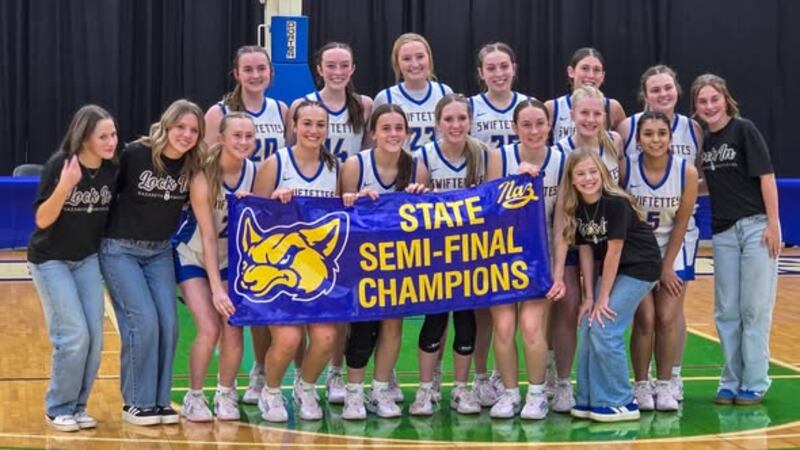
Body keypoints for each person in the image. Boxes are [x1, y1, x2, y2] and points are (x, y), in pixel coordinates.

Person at [100, 99, 204, 426]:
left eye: (193, 130)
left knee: (169, 325)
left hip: (159, 251)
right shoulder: (135, 154)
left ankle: (159, 401)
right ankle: (136, 402)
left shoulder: (192, 165)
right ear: (166, 125)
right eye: (180, 127)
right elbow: (104, 192)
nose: (186, 135)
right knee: (143, 322)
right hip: (120, 249)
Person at [690, 73, 781, 406]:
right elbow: (708, 184)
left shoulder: (744, 130)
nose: (710, 106)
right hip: (724, 231)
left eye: (714, 99)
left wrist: (774, 225)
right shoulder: (705, 141)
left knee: (754, 308)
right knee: (727, 310)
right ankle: (730, 380)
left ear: (726, 99)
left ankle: (755, 382)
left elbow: (767, 178)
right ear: (696, 107)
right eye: (702, 101)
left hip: (756, 227)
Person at [28, 105, 119, 432]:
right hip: (51, 259)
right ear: (84, 138)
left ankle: (78, 407)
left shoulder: (112, 169)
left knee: (95, 339)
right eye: (103, 136)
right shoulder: (60, 165)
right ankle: (58, 407)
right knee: (73, 335)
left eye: (113, 134)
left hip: (86, 258)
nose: (111, 142)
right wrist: (65, 185)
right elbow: (42, 220)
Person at [617, 66, 704, 402]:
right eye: (649, 134)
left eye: (662, 134)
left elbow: (682, 221)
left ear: (671, 138)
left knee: (668, 316)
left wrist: (666, 266)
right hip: (638, 249)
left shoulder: (687, 166)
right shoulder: (627, 164)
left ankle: (667, 382)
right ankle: (641, 384)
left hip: (674, 244)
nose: (655, 139)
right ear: (638, 139)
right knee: (646, 317)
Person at [251, 100, 340, 422]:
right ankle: (271, 391)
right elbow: (253, 217)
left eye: (320, 124)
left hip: (315, 272)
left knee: (326, 338)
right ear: (294, 126)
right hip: (278, 271)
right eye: (307, 124)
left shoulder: (335, 167)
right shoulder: (276, 164)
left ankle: (306, 387)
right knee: (289, 339)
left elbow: (341, 218)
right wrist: (275, 205)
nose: (313, 130)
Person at [557, 148, 660, 422]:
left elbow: (614, 251)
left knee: (605, 326)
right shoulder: (577, 208)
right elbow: (586, 251)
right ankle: (589, 398)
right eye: (581, 173)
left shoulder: (615, 203)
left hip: (640, 267)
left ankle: (620, 401)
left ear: (603, 173)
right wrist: (590, 298)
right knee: (588, 323)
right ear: (572, 179)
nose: (588, 178)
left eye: (593, 171)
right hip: (615, 269)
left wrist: (603, 298)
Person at [338, 104, 427, 420]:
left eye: (399, 128)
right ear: (373, 133)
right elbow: (338, 215)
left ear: (407, 133)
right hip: (361, 260)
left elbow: (428, 220)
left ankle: (379, 390)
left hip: (399, 261)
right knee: (362, 326)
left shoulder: (416, 168)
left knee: (392, 324)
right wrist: (352, 200)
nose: (393, 134)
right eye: (386, 128)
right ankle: (353, 392)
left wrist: (421, 196)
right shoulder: (355, 165)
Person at [174, 113, 258, 421]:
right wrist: (216, 289)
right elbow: (208, 236)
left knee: (234, 329)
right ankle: (194, 396)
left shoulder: (256, 172)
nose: (243, 142)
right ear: (221, 138)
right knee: (210, 328)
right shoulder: (203, 175)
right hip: (194, 255)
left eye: (249, 136)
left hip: (231, 260)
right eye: (237, 135)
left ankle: (225, 393)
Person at [484, 99, 564, 419]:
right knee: (504, 328)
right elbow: (489, 212)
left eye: (539, 124)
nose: (533, 131)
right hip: (501, 255)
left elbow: (562, 223)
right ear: (514, 128)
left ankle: (537, 393)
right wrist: (514, 184)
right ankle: (509, 393)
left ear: (549, 125)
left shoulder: (561, 160)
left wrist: (558, 272)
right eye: (526, 125)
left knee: (531, 327)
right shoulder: (499, 157)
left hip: (539, 258)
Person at [408, 94, 486, 417]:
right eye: (449, 119)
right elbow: (413, 209)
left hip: (471, 252)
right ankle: (426, 388)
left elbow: (497, 201)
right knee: (435, 319)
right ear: (438, 123)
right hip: (436, 254)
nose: (456, 125)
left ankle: (461, 388)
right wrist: (417, 194)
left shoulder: (484, 154)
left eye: (462, 118)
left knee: (466, 321)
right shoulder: (423, 156)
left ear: (470, 121)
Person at [467, 43, 535, 405]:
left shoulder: (529, 106)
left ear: (514, 68)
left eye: (503, 66)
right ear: (481, 73)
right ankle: (481, 376)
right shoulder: (470, 108)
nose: (498, 73)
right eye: (491, 68)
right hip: (485, 214)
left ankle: (515, 375)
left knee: (526, 309)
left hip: (524, 217)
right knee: (486, 309)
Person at [204, 45, 288, 163]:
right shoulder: (218, 113)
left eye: (261, 68)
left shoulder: (281, 109)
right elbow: (206, 163)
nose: (256, 75)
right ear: (237, 74)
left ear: (271, 71)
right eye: (248, 70)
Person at [373, 33, 453, 152]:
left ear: (429, 58)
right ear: (397, 63)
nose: (415, 64)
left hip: (438, 163)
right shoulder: (385, 98)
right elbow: (375, 145)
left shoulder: (444, 93)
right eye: (406, 59)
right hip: (401, 164)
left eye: (420, 57)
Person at [545, 47, 626, 143]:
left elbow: (622, 147)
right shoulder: (553, 107)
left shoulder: (612, 107)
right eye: (584, 68)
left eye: (596, 70)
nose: (591, 75)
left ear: (602, 76)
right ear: (571, 72)